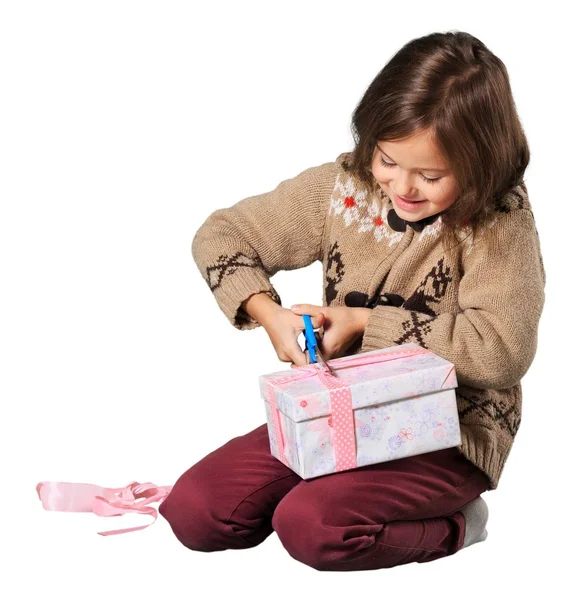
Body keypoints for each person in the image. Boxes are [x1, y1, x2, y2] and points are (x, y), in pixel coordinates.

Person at [158, 30, 545, 571]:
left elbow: (502, 350)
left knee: (313, 526)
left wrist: (365, 322)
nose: (403, 187)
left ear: (481, 163)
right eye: (388, 160)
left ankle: (459, 525)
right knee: (195, 511)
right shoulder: (344, 188)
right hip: (338, 410)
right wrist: (268, 313)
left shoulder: (498, 223)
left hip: (448, 428)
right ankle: (335, 488)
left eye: (431, 175)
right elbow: (221, 236)